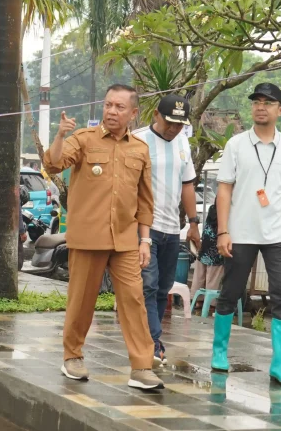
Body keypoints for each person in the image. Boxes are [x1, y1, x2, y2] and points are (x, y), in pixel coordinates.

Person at [42, 84, 163, 390]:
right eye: (108, 105)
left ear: (133, 113)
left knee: (134, 299)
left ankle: (141, 366)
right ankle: (72, 356)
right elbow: (53, 163)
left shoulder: (139, 149)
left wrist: (145, 240)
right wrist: (60, 135)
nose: (112, 111)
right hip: (88, 237)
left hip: (124, 239)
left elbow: (145, 200)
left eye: (119, 107)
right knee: (82, 299)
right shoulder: (83, 139)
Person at [211, 83, 281, 386]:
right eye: (256, 102)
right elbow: (223, 190)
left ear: (280, 109)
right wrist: (223, 231)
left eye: (268, 102)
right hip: (241, 232)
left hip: (278, 235)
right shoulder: (236, 144)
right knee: (230, 291)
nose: (261, 107)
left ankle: (279, 365)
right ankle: (219, 353)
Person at [133, 94, 201, 364]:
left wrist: (194, 223)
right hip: (143, 228)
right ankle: (152, 341)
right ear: (156, 116)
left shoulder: (183, 142)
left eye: (180, 124)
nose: (175, 129)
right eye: (171, 122)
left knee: (163, 288)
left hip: (172, 229)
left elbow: (187, 185)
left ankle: (150, 338)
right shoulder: (138, 140)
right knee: (147, 285)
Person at [190, 201, 224, 309]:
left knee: (199, 276)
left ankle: (197, 301)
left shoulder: (212, 210)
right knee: (212, 278)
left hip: (204, 248)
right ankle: (209, 304)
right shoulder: (224, 215)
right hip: (216, 251)